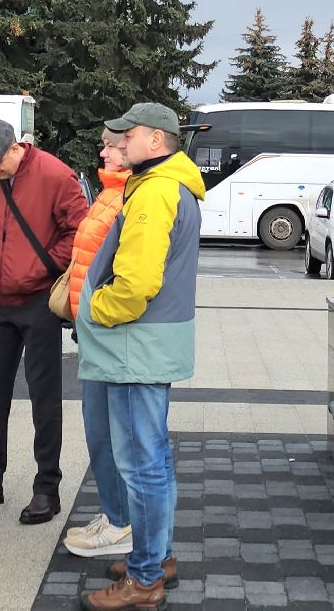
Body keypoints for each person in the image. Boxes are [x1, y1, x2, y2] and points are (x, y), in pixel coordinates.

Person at [76, 102, 204, 609]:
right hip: (145, 345)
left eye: (127, 136)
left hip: (135, 345)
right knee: (153, 459)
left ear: (156, 140)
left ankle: (145, 577)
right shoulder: (167, 186)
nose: (118, 144)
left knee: (142, 464)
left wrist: (96, 310)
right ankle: (159, 555)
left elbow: (136, 284)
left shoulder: (154, 192)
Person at [0, 118, 87, 522]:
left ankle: (47, 488)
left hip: (39, 299)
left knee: (45, 398)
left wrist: (42, 266)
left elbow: (80, 230)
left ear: (14, 148)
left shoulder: (55, 174)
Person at [63, 129, 132, 558]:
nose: (102, 151)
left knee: (110, 434)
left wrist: (96, 311)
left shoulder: (128, 197)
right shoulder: (110, 192)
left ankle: (121, 523)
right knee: (100, 431)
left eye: (110, 145)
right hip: (92, 328)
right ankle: (115, 514)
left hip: (107, 331)